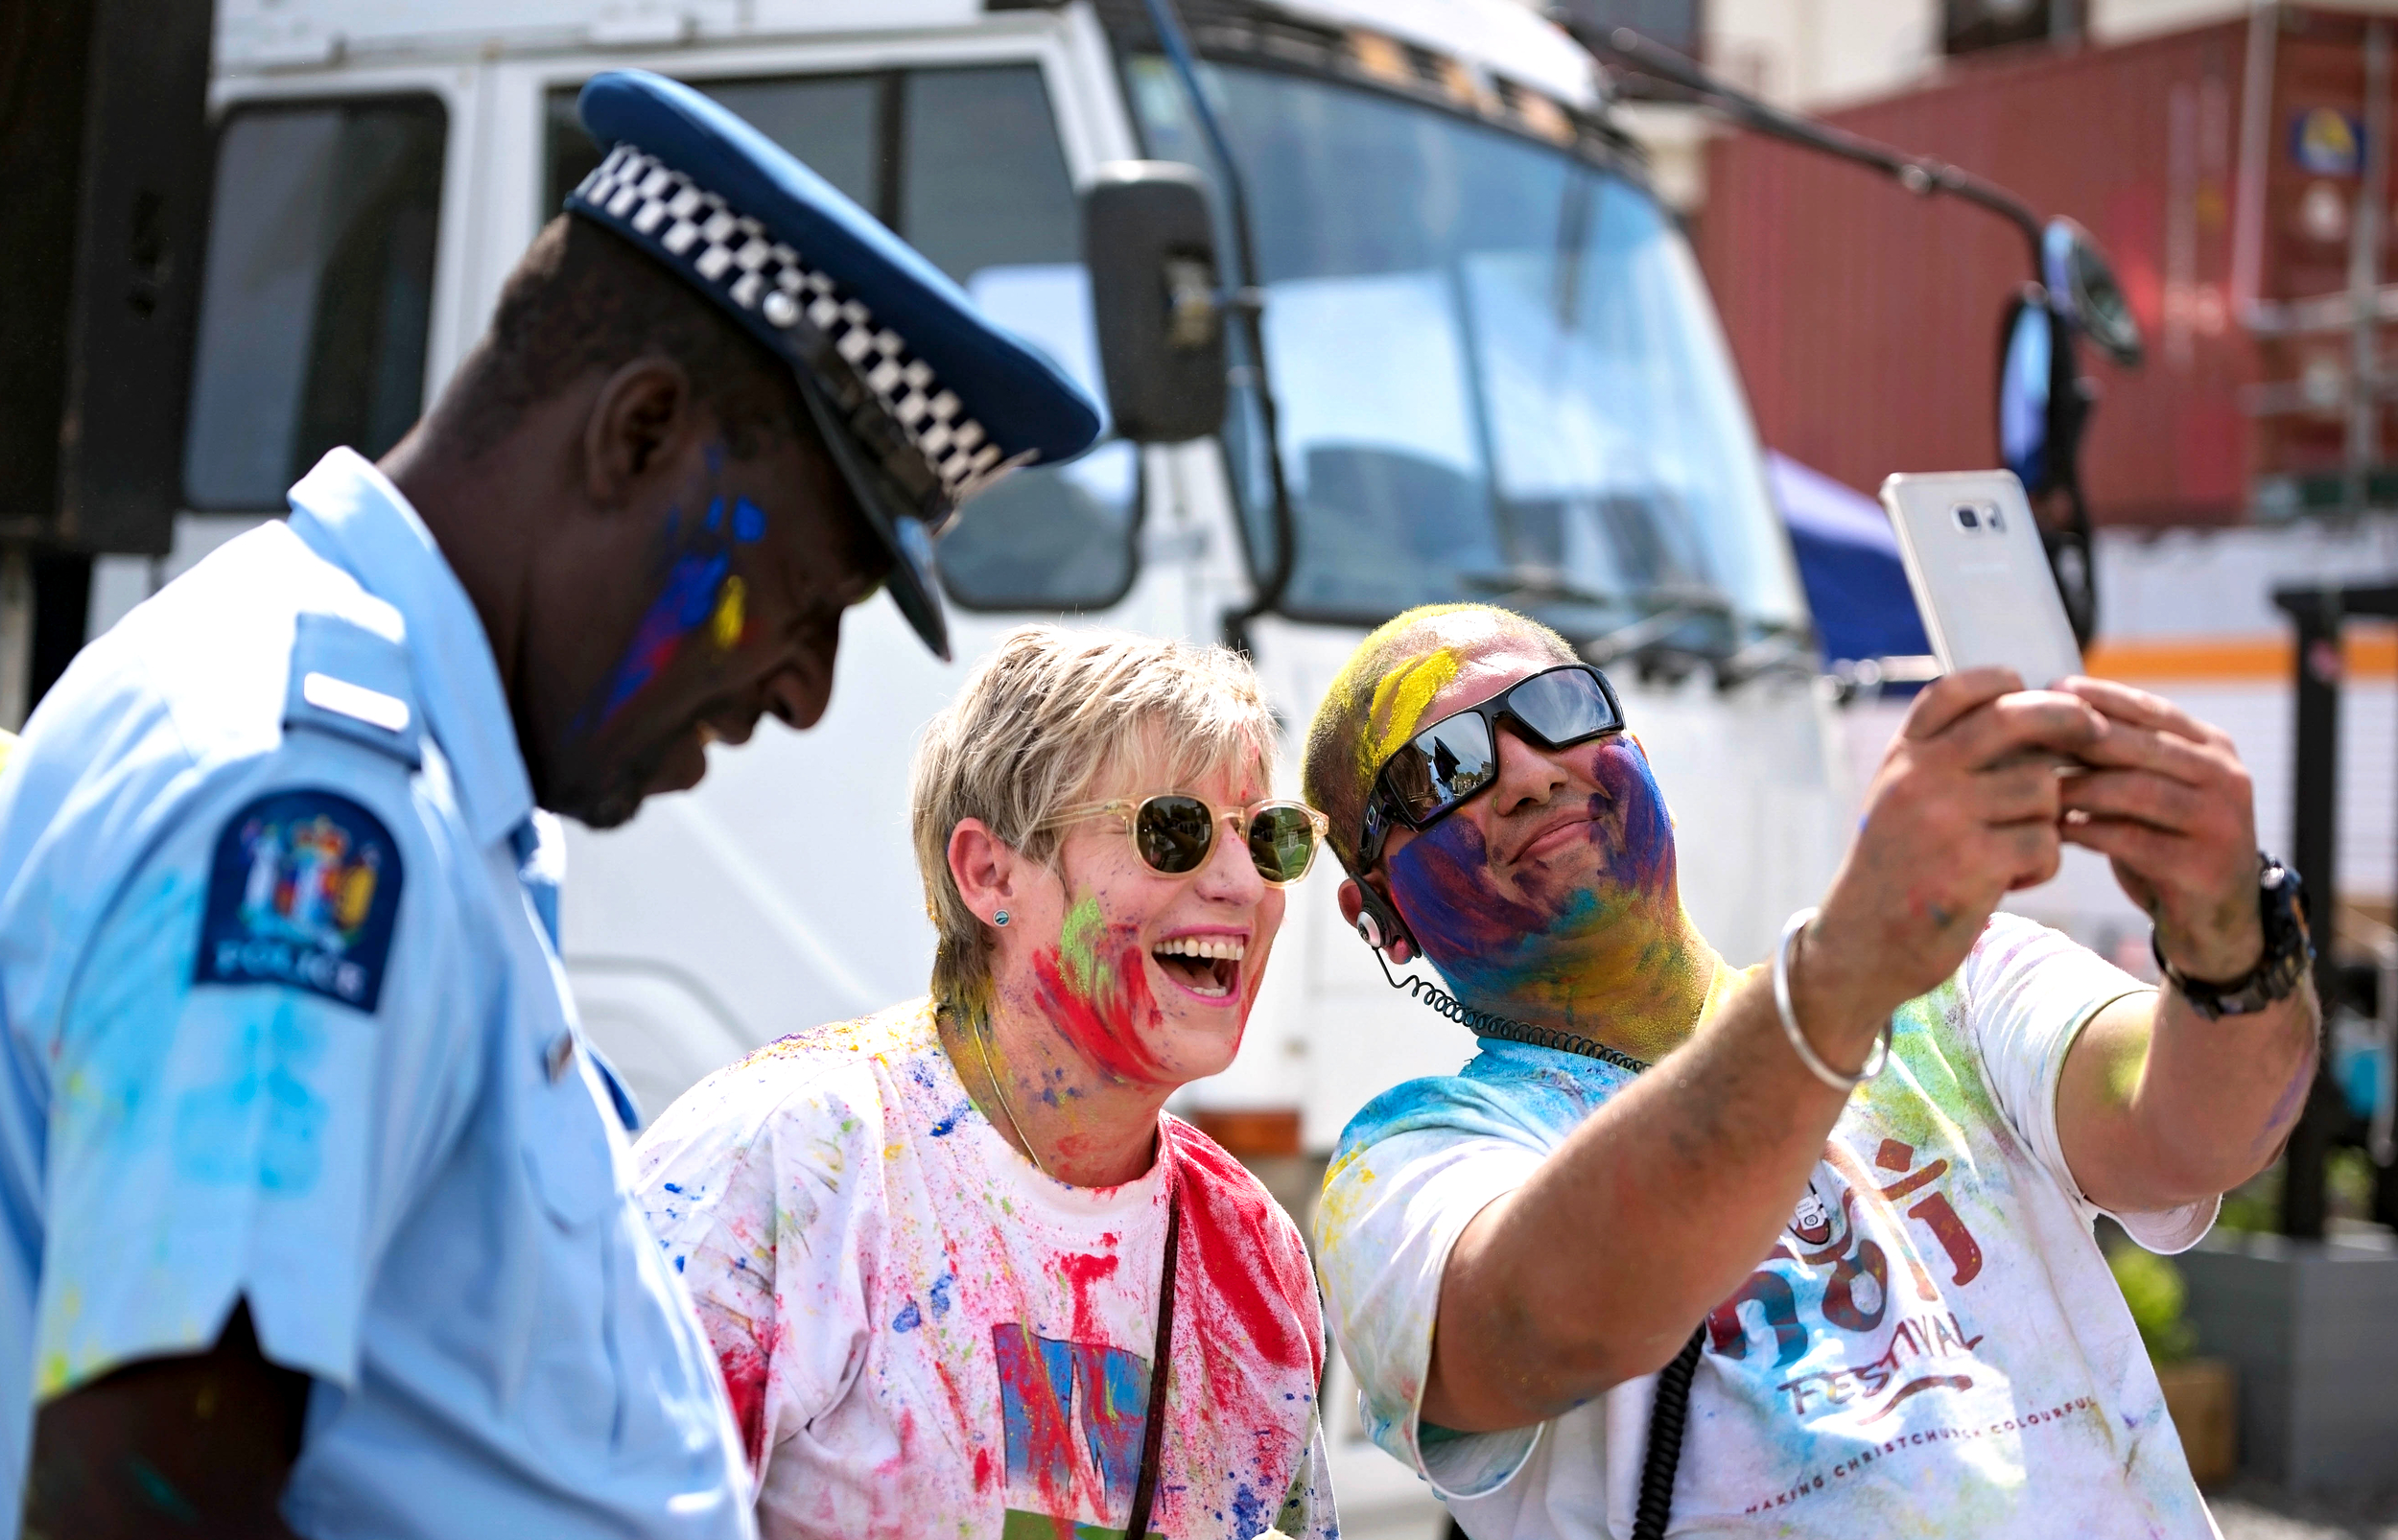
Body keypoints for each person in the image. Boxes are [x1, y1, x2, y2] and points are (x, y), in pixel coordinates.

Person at [0, 70, 1098, 1537]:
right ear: (635, 435)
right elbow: (145, 1496)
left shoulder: (432, 781)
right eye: (806, 593)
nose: (806, 690)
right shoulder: (312, 803)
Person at [1304, 603, 2316, 1538]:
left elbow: (2193, 1136)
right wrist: (1843, 973)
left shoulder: (1955, 991)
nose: (1526, 771)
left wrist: (2230, 929)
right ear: (1380, 917)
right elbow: (1539, 1328)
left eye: (1557, 709)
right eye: (1440, 769)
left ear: (1635, 750)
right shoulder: (1405, 1166)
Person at [633, 625, 1340, 1540]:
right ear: (989, 872)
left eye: (1270, 837)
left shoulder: (1253, 1256)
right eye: (1177, 831)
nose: (1244, 884)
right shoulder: (797, 1161)